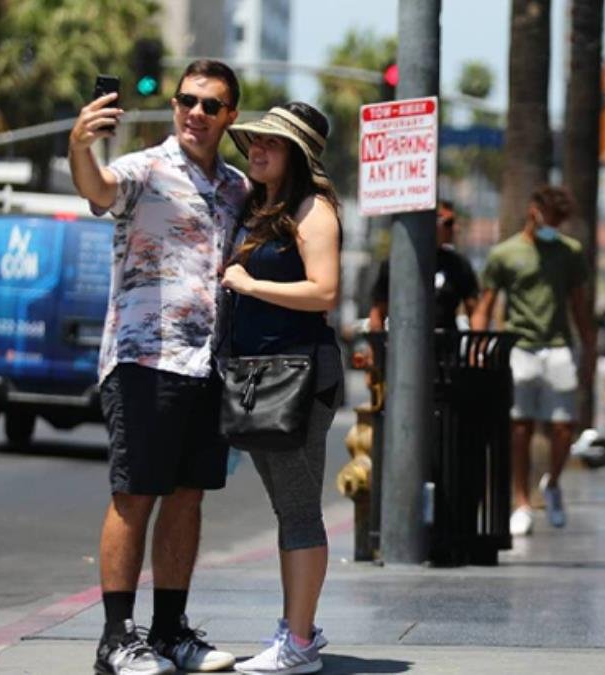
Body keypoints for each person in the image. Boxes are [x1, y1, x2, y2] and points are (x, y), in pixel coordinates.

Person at [70, 60, 246, 675]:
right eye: (187, 100)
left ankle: (170, 631)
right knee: (134, 496)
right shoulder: (145, 168)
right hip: (145, 358)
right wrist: (80, 145)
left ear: (231, 117)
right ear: (175, 106)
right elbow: (97, 190)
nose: (195, 112)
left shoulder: (235, 188)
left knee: (188, 498)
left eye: (211, 104)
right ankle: (117, 638)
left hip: (207, 366)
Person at [220, 102, 343, 674]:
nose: (256, 150)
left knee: (298, 512)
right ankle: (297, 632)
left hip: (299, 378)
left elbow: (324, 293)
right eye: (254, 142)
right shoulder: (258, 207)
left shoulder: (312, 210)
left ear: (296, 153)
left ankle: (298, 643)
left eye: (270, 143)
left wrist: (248, 283)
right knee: (286, 510)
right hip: (257, 377)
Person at [470, 185, 596, 536]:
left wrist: (588, 353)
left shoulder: (569, 252)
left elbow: (580, 307)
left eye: (559, 221)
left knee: (563, 426)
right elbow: (486, 304)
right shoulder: (505, 253)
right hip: (519, 347)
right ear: (533, 211)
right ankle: (521, 500)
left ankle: (552, 483)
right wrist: (480, 347)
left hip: (558, 346)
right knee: (520, 426)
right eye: (549, 218)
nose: (552, 225)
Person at [368, 200, 478, 331]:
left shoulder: (458, 264)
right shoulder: (396, 264)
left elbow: (474, 309)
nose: (455, 229)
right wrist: (376, 347)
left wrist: (476, 347)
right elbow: (378, 311)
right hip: (404, 343)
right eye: (448, 223)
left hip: (446, 345)